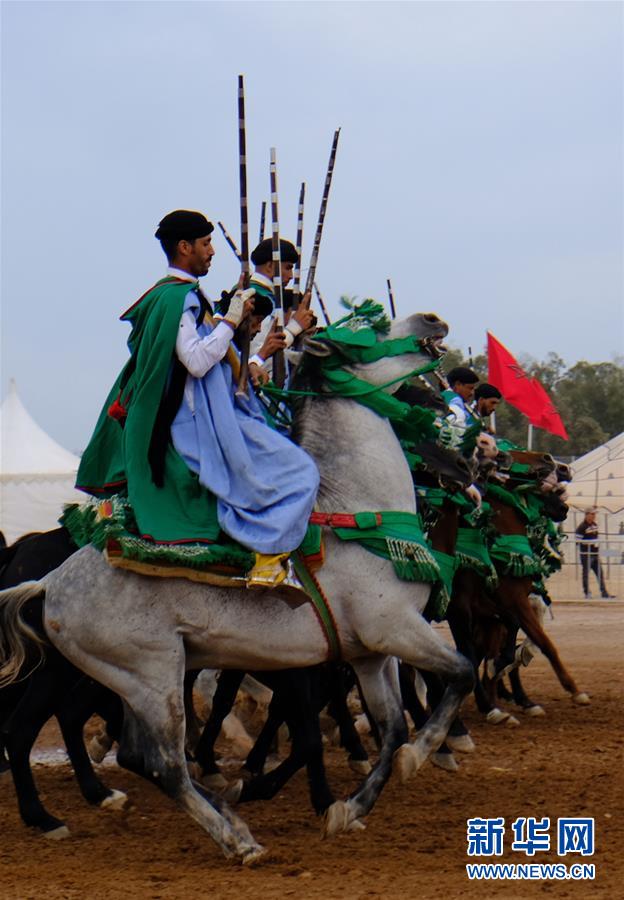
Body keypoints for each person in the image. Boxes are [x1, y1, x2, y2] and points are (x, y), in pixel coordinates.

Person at [76, 210, 319, 591]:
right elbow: (197, 360)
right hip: (195, 424)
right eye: (206, 244)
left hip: (211, 413)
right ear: (185, 247)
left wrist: (234, 327)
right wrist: (229, 321)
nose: (211, 252)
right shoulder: (176, 299)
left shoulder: (186, 297)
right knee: (300, 473)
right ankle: (267, 560)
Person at [247, 238, 315, 384]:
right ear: (271, 266)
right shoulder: (260, 299)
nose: (291, 276)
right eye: (288, 268)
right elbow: (255, 355)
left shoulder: (254, 292)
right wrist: (294, 328)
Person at [575, 508, 614, 599]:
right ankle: (587, 593)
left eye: (594, 514)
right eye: (592, 514)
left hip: (595, 554)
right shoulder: (581, 527)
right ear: (587, 515)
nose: (594, 516)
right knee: (586, 574)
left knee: (600, 574)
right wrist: (589, 543)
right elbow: (577, 541)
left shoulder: (594, 525)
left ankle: (604, 593)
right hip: (586, 554)